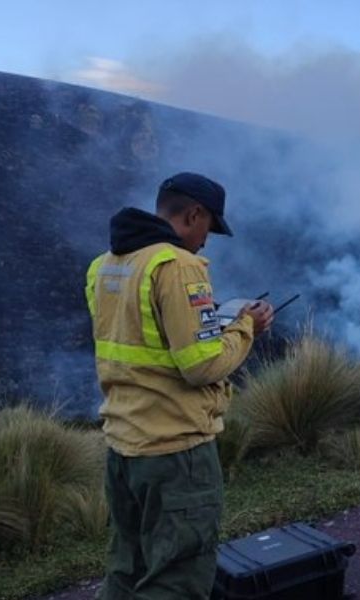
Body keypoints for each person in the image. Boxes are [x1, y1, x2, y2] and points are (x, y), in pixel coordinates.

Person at [85, 172, 274, 599]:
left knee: (126, 568)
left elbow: (141, 342)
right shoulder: (178, 265)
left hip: (124, 448)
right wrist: (246, 326)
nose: (206, 240)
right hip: (175, 453)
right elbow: (203, 365)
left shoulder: (105, 266)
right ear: (194, 214)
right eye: (208, 227)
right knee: (176, 578)